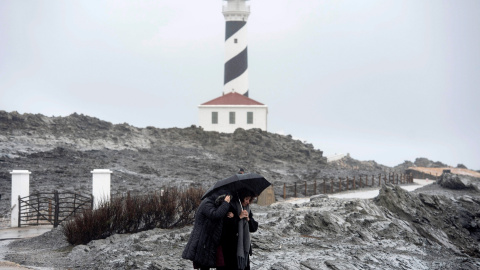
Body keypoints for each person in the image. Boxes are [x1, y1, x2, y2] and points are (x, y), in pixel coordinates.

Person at [182, 189, 232, 270]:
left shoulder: (212, 203)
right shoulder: (207, 203)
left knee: (207, 265)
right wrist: (225, 204)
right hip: (202, 240)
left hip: (206, 239)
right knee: (204, 266)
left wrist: (227, 213)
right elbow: (215, 215)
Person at [217, 189, 258, 270]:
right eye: (246, 199)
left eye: (249, 199)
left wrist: (248, 219)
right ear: (241, 198)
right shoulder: (230, 206)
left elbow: (254, 228)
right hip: (230, 248)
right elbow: (226, 228)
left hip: (243, 247)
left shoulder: (247, 209)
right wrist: (239, 217)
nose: (248, 201)